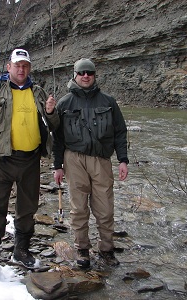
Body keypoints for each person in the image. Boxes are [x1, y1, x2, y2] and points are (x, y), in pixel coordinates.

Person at [0, 48, 59, 280]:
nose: (21, 69)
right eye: (17, 65)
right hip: (0, 160)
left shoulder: (38, 92)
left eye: (25, 66)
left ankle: (21, 250)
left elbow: (54, 124)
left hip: (30, 160)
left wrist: (51, 112)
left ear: (29, 68)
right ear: (9, 67)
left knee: (27, 209)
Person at [53, 58, 129, 268]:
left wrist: (123, 159)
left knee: (105, 208)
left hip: (102, 161)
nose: (85, 76)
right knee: (78, 208)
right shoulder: (64, 103)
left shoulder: (109, 102)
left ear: (95, 75)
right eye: (81, 73)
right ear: (74, 76)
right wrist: (57, 166)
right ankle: (82, 249)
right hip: (73, 160)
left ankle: (106, 249)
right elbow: (57, 138)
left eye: (90, 72)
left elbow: (120, 132)